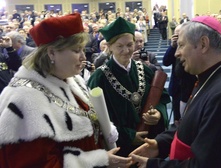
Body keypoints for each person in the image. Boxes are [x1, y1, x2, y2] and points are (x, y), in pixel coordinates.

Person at [0, 13, 132, 168]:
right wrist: (98, 161)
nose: (84, 57)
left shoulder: (72, 79)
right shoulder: (24, 98)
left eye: (83, 50)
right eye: (77, 50)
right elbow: (38, 163)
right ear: (51, 53)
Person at [130, 16, 221, 167]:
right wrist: (160, 144)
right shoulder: (211, 76)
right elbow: (191, 124)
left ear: (203, 44)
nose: (177, 53)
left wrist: (153, 165)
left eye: (181, 45)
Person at [87, 17, 171, 157]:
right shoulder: (99, 77)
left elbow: (162, 98)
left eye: (130, 44)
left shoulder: (145, 70)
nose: (126, 50)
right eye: (120, 46)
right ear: (109, 46)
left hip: (148, 141)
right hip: (120, 147)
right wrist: (129, 136)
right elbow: (95, 118)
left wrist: (158, 113)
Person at [163, 24, 197, 125]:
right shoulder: (174, 49)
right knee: (177, 119)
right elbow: (166, 62)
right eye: (176, 35)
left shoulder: (190, 48)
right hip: (177, 89)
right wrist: (173, 46)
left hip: (190, 87)